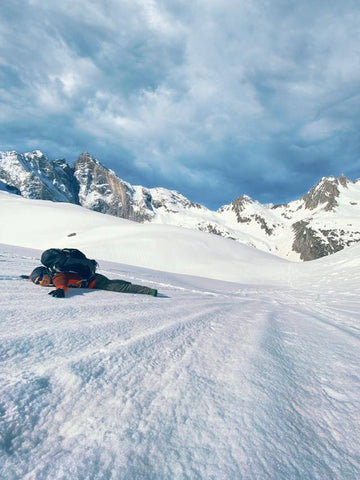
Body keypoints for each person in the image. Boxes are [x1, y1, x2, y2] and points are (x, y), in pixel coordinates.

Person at [30, 266, 158, 298]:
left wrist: (60, 290)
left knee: (118, 288)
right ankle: (126, 283)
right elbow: (34, 276)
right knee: (114, 283)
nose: (41, 282)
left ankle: (148, 291)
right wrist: (28, 277)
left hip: (96, 282)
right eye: (38, 282)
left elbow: (61, 284)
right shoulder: (52, 274)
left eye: (41, 279)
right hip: (93, 277)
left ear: (45, 273)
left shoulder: (57, 277)